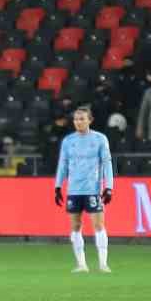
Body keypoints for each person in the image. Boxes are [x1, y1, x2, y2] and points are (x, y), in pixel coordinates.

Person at [52, 105, 114, 273]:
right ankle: (81, 264)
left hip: (92, 189)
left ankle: (103, 263)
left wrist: (109, 187)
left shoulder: (100, 139)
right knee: (75, 226)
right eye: (76, 119)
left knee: (99, 225)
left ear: (90, 120)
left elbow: (107, 163)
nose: (78, 122)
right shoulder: (68, 141)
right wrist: (58, 186)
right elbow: (63, 164)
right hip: (74, 190)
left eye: (82, 119)